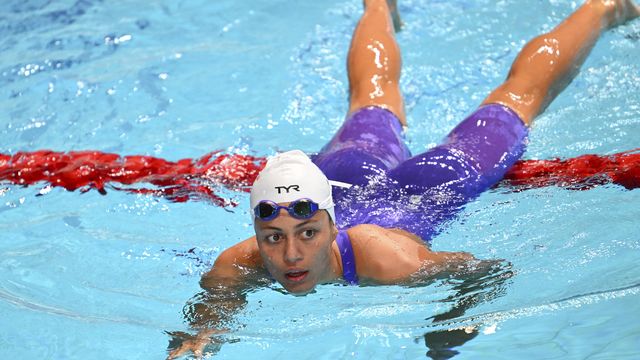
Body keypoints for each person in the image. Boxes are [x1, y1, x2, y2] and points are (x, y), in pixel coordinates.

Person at [167, 0, 640, 358]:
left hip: (426, 189)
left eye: (307, 233)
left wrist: (455, 320)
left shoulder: (391, 260)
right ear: (256, 234)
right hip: (345, 175)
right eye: (274, 238)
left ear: (331, 227)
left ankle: (606, 6)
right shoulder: (238, 262)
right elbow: (213, 308)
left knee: (516, 100)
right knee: (370, 97)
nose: (291, 254)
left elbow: (485, 271)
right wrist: (202, 335)